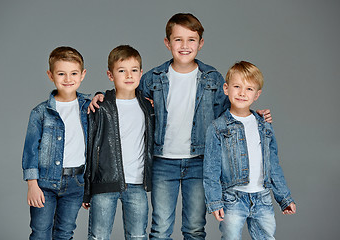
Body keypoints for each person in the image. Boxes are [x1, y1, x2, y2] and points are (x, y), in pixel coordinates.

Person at [88, 13, 271, 240]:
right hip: (163, 162)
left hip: (199, 162)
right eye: (178, 39)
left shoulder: (212, 78)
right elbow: (128, 100)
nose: (185, 46)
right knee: (160, 228)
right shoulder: (153, 78)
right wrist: (98, 96)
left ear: (200, 43)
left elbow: (229, 113)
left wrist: (254, 114)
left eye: (191, 39)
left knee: (194, 228)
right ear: (167, 43)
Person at [203, 61, 296, 239]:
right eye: (236, 86)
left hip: (263, 197)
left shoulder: (264, 125)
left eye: (249, 89)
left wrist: (284, 198)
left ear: (257, 94)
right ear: (226, 88)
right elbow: (211, 169)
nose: (242, 93)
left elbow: (273, 165)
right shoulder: (217, 127)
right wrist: (215, 202)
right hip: (232, 198)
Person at [82, 45, 154, 240]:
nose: (129, 75)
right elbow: (90, 148)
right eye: (122, 70)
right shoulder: (101, 106)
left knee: (138, 236)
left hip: (137, 184)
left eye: (134, 70)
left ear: (141, 73)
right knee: (99, 236)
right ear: (110, 75)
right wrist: (87, 190)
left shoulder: (148, 106)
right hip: (105, 184)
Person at [22, 46, 90, 239]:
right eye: (61, 74)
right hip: (45, 183)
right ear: (51, 75)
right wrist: (32, 185)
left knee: (65, 232)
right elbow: (30, 151)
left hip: (77, 183)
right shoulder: (40, 112)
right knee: (41, 231)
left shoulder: (89, 107)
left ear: (83, 74)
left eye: (73, 73)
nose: (68, 79)